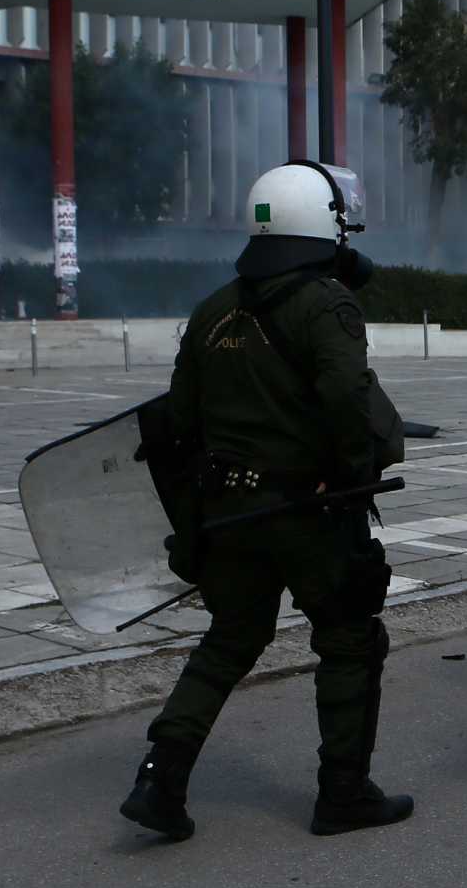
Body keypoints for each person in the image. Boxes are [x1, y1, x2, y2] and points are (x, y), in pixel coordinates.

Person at [118, 162, 411, 842]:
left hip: (229, 512)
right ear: (320, 222)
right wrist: (350, 477)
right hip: (306, 511)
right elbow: (347, 399)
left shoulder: (214, 309)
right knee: (348, 638)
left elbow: (180, 418)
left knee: (227, 642)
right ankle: (343, 793)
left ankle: (159, 778)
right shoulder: (327, 305)